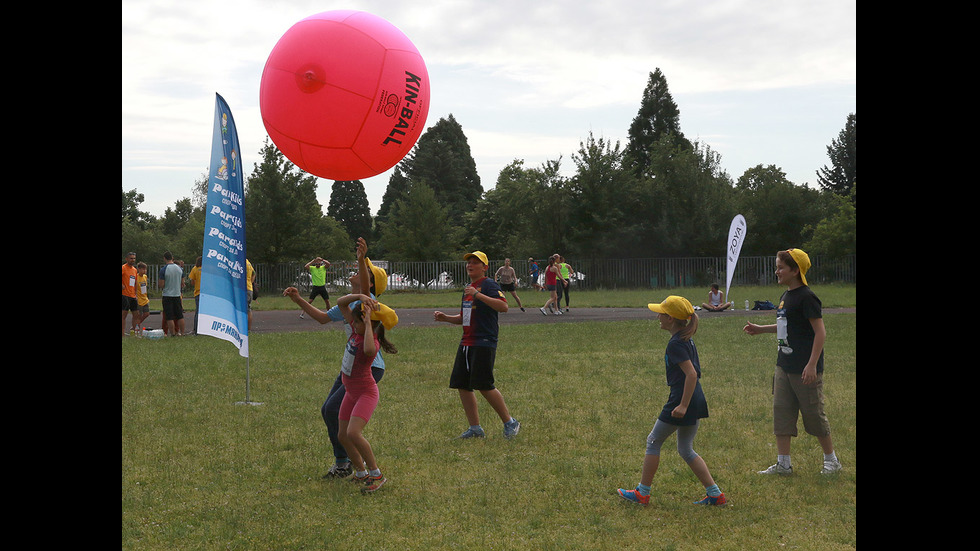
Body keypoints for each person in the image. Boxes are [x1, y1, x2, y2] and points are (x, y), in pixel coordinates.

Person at [283, 238, 390, 480]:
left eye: (363, 272)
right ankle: (348, 464)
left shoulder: (368, 301)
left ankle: (348, 465)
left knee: (333, 410)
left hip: (369, 368)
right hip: (351, 368)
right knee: (327, 410)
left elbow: (364, 287)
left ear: (371, 282)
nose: (356, 271)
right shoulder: (350, 302)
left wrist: (362, 259)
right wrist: (298, 299)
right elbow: (322, 318)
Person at [617, 296, 726, 507]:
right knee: (685, 448)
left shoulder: (676, 344)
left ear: (670, 319)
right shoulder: (685, 339)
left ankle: (642, 493)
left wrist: (683, 405)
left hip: (682, 398)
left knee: (653, 441)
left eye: (661, 314)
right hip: (695, 397)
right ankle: (715, 494)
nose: (658, 317)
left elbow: (691, 375)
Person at [743, 248, 842, 475]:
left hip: (804, 368)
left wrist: (812, 365)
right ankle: (783, 464)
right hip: (784, 366)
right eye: (777, 266)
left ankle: (831, 461)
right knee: (782, 412)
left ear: (795, 270)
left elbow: (820, 333)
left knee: (813, 413)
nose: (776, 271)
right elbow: (786, 327)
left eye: (780, 267)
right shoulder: (786, 296)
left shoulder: (807, 297)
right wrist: (761, 329)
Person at [434, 251, 521, 439]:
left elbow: (503, 306)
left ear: (485, 268)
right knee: (462, 384)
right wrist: (446, 318)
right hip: (467, 342)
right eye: (468, 263)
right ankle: (475, 429)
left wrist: (478, 295)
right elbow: (464, 318)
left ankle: (510, 422)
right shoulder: (469, 288)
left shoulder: (488, 285)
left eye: (475, 263)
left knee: (484, 384)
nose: (470, 265)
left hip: (483, 341)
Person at [333, 290, 398, 493]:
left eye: (358, 322)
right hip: (351, 391)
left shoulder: (371, 341)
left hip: (365, 393)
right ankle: (361, 473)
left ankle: (376, 474)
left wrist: (369, 322)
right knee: (343, 435)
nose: (353, 324)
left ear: (369, 325)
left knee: (353, 432)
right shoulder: (355, 331)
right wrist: (360, 296)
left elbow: (369, 351)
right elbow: (341, 303)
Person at [157, 251, 185, 336]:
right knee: (179, 315)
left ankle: (172, 333)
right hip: (177, 294)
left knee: (169, 316)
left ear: (164, 258)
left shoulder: (164, 269)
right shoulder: (179, 268)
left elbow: (161, 284)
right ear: (172, 258)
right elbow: (182, 283)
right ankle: (182, 333)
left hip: (167, 295)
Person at [121, 252, 139, 336]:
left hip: (132, 295)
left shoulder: (134, 270)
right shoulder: (123, 268)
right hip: (124, 295)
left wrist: (136, 294)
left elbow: (135, 282)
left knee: (136, 314)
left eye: (134, 258)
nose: (133, 260)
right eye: (131, 258)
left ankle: (135, 332)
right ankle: (123, 334)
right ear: (127, 259)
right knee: (123, 315)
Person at [134, 261, 151, 336]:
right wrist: (135, 296)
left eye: (145, 269)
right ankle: (137, 331)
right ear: (139, 269)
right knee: (138, 316)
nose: (144, 271)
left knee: (146, 313)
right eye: (143, 269)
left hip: (145, 299)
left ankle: (135, 325)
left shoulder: (145, 277)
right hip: (139, 300)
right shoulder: (136, 277)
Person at [187, 256, 202, 334]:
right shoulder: (208, 269)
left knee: (198, 312)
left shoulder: (195, 269)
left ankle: (196, 330)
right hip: (207, 293)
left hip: (198, 292)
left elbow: (192, 282)